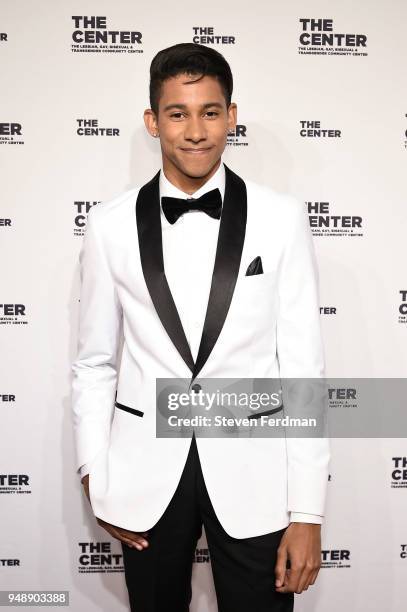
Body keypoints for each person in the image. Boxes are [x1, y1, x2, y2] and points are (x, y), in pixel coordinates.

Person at [71, 42, 330, 612]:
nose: (195, 131)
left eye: (210, 112)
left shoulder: (282, 218)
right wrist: (95, 472)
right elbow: (94, 362)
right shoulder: (108, 226)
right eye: (177, 113)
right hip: (144, 476)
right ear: (152, 121)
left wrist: (307, 510)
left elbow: (303, 368)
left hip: (257, 477)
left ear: (232, 117)